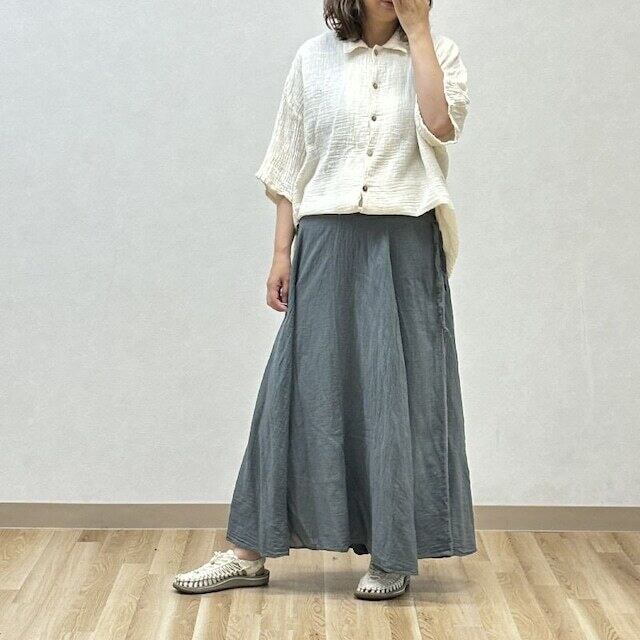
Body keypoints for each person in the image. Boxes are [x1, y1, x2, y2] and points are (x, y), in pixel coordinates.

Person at [173, 0, 476, 601]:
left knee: (397, 395)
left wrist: (418, 30)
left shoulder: (438, 54)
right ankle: (248, 552)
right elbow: (291, 162)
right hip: (327, 239)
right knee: (294, 391)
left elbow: (440, 125)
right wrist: (280, 253)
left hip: (404, 241)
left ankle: (392, 554)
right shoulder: (313, 59)